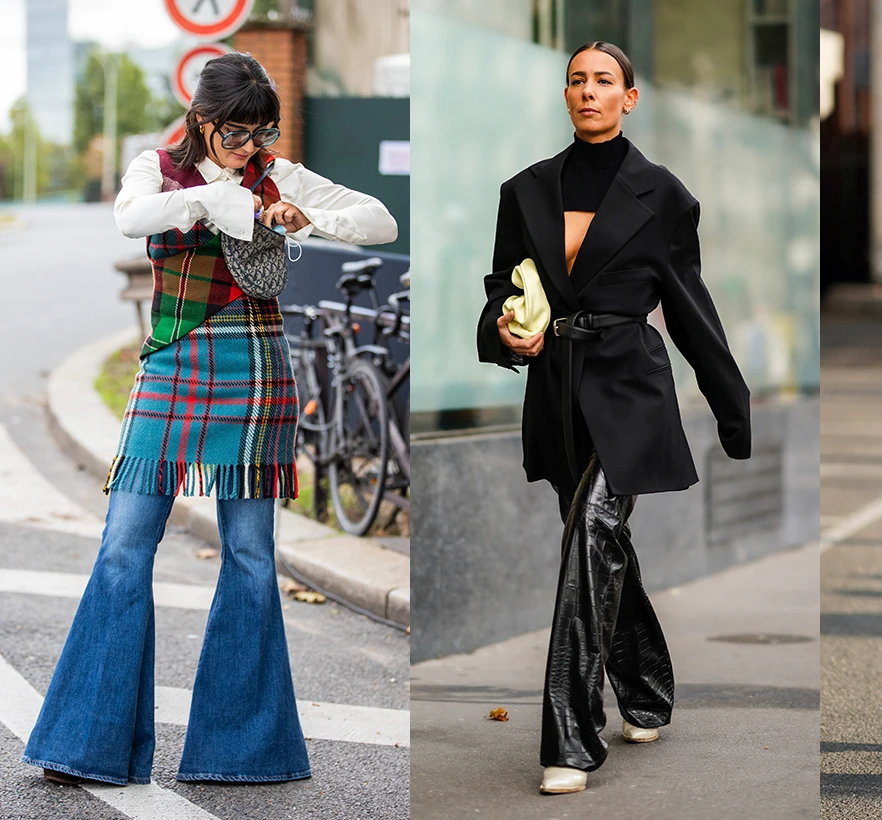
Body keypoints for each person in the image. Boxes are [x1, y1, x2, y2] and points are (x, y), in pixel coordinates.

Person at [21, 52, 397, 787]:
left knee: (252, 554)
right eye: (235, 132)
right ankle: (87, 744)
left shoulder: (278, 173)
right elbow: (132, 218)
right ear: (202, 119)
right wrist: (209, 200)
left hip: (256, 370)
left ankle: (242, 751)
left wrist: (305, 212)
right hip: (170, 364)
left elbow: (380, 220)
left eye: (261, 131)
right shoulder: (158, 167)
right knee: (126, 544)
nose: (249, 145)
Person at [475, 41, 751, 795]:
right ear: (565, 96)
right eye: (576, 81)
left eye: (603, 81)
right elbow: (503, 287)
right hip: (557, 391)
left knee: (592, 532)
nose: (587, 92)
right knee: (599, 544)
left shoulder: (662, 195)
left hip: (631, 386)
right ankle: (649, 686)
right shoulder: (525, 190)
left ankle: (569, 736)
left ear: (630, 98)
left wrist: (732, 406)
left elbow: (691, 310)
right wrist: (505, 329)